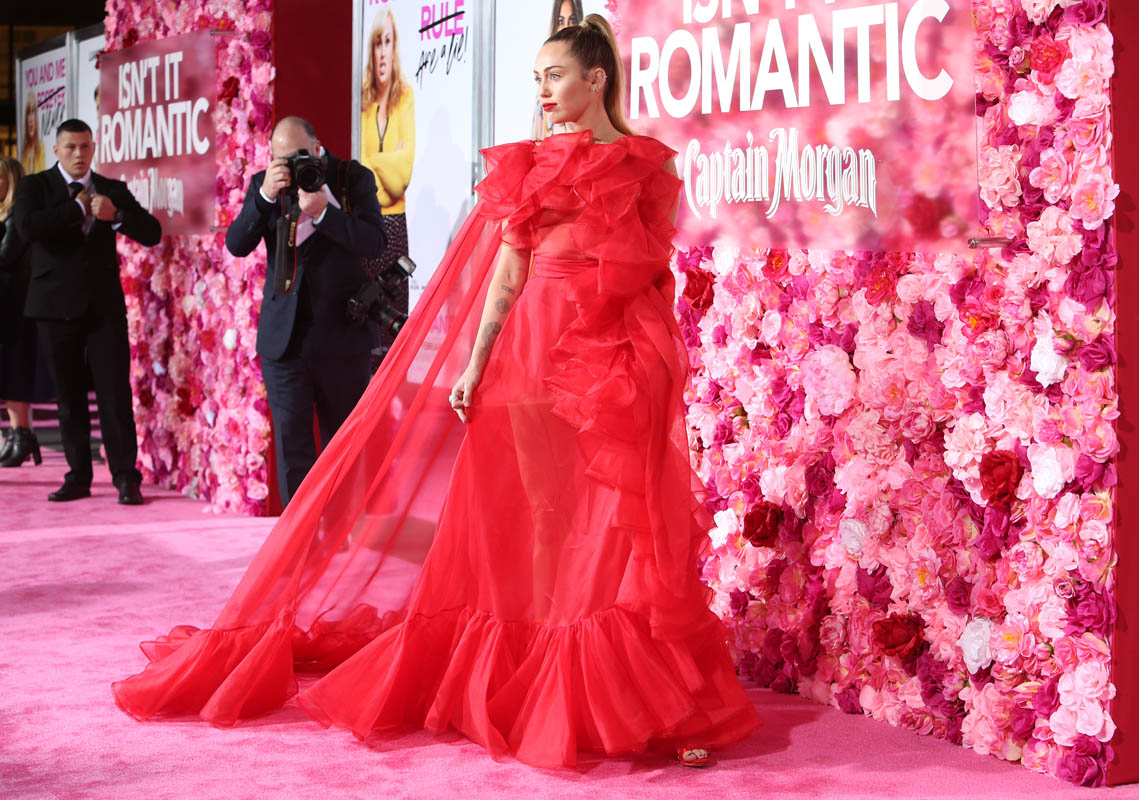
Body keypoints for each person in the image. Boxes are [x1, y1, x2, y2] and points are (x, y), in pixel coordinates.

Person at [113, 17, 760, 769]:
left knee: (623, 523)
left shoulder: (646, 165)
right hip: (532, 356)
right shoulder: (531, 165)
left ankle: (652, 696)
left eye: (555, 76)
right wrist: (475, 365)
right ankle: (547, 673)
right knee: (546, 518)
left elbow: (652, 277)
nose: (543, 91)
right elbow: (508, 275)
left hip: (614, 363)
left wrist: (650, 363)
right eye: (537, 78)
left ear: (597, 79)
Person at [225, 116, 386, 507]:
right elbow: (237, 244)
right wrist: (264, 196)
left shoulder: (351, 178)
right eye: (281, 159)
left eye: (299, 156)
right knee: (292, 449)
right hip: (285, 343)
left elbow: (375, 243)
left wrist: (326, 213)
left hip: (342, 337)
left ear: (317, 148)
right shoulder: (266, 184)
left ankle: (343, 530)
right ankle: (300, 537)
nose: (291, 166)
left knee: (343, 446)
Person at [11, 119, 161, 504]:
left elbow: (152, 232)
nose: (78, 154)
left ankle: (126, 478)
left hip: (103, 308)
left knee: (114, 395)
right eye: (71, 147)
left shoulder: (111, 189)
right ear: (57, 150)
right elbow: (26, 228)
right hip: (53, 306)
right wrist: (75, 209)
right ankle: (78, 476)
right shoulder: (35, 186)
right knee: (69, 397)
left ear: (93, 148)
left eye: (85, 146)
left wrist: (118, 215)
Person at [360, 6, 415, 326]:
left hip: (395, 225)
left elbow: (403, 174)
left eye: (388, 41)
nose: (383, 51)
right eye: (377, 43)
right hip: (367, 224)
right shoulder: (362, 104)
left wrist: (371, 163)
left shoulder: (405, 98)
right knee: (366, 317)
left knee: (394, 318)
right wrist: (386, 164)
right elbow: (359, 171)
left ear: (395, 48)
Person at [0, 157, 54, 467]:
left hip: (15, 305)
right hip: (10, 303)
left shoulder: (16, 215)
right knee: (10, 373)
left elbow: (6, 256)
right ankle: (18, 434)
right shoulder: (7, 214)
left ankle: (22, 435)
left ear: (11, 180)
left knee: (15, 372)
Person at [531, 0, 585, 140]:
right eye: (561, 21)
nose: (566, 27)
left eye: (572, 20)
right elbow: (536, 142)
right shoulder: (542, 101)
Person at [20, 96, 45, 176]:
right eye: (28, 112)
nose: (31, 119)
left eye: (33, 112)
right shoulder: (24, 151)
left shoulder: (41, 148)